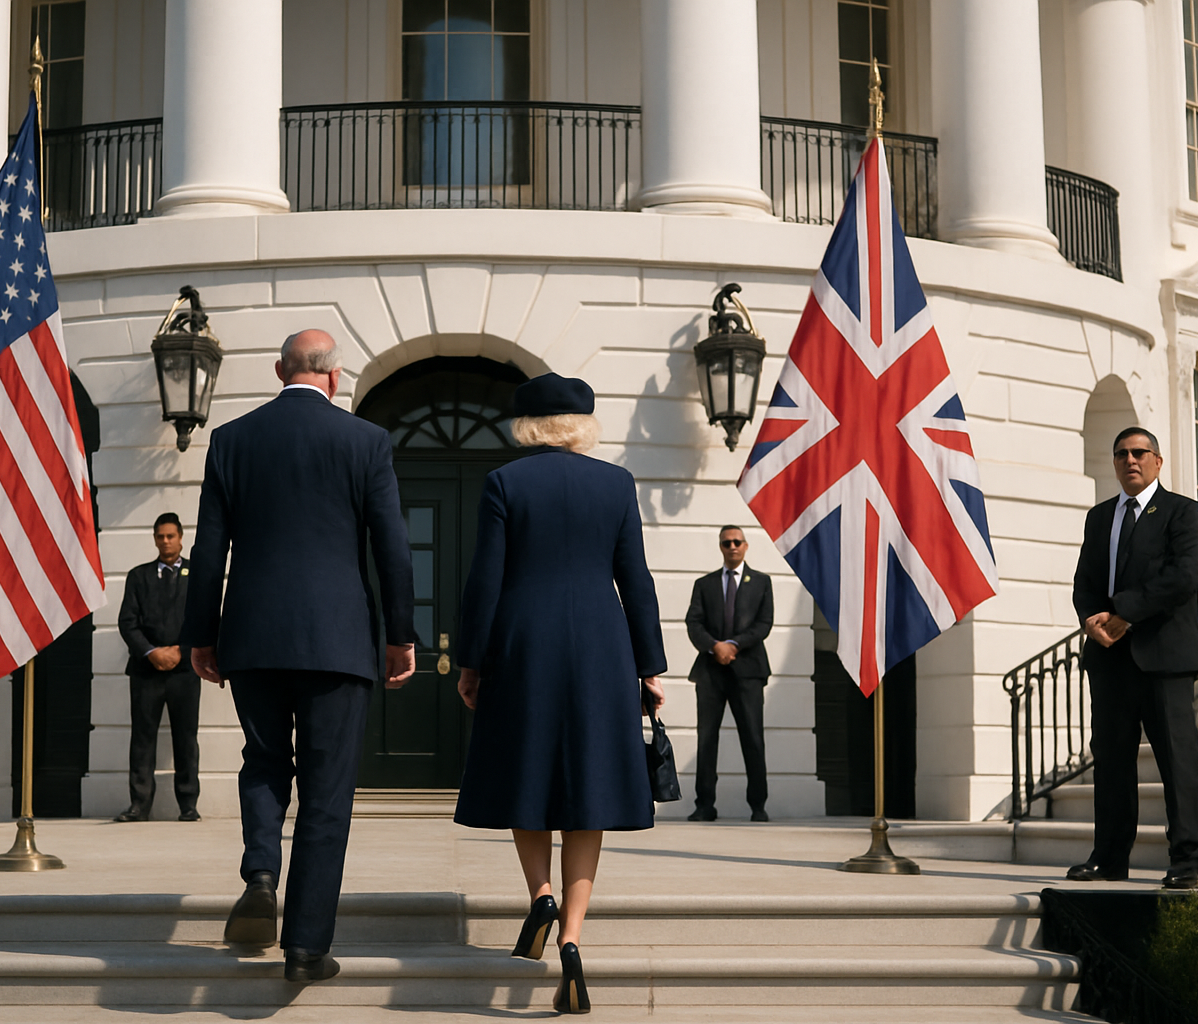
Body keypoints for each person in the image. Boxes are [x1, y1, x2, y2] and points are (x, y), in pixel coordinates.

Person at [183, 329, 417, 983]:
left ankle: (261, 870)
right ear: (335, 377)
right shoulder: (365, 441)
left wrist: (202, 633)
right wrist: (401, 634)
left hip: (254, 635)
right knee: (326, 792)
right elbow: (393, 547)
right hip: (338, 640)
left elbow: (208, 552)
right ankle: (306, 947)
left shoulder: (232, 439)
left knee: (263, 761)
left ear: (278, 369)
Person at [454, 372, 666, 1016]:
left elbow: (484, 580)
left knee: (527, 775)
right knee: (588, 793)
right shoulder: (616, 484)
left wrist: (469, 662)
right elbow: (637, 578)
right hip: (603, 648)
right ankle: (572, 935)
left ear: (527, 425)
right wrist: (650, 667)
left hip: (524, 645)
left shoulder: (506, 482)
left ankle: (540, 894)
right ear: (583, 423)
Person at [1069, 426, 1198, 889]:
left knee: (1178, 762)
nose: (1130, 460)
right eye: (1121, 454)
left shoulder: (1181, 512)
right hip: (1110, 658)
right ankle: (1109, 858)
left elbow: (1183, 577)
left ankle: (1186, 861)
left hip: (1164, 656)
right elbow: (1085, 579)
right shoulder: (1099, 517)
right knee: (1111, 762)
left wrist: (1125, 614)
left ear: (1157, 461)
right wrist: (1091, 617)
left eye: (1139, 453)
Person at [114, 512, 200, 823]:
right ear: (154, 539)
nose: (166, 541)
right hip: (146, 671)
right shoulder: (138, 576)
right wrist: (151, 652)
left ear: (180, 537)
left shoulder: (199, 573)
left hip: (185, 671)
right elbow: (127, 621)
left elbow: (207, 620)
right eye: (160, 536)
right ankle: (139, 805)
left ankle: (188, 804)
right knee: (142, 738)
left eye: (171, 536)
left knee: (186, 738)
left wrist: (181, 651)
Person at [685, 525, 774, 823]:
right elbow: (693, 622)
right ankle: (704, 804)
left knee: (752, 737)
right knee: (706, 739)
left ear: (746, 546)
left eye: (737, 542)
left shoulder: (761, 582)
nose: (732, 547)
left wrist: (734, 645)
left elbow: (764, 624)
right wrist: (714, 647)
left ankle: (758, 806)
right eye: (726, 543)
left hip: (748, 671)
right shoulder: (705, 584)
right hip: (711, 672)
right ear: (720, 547)